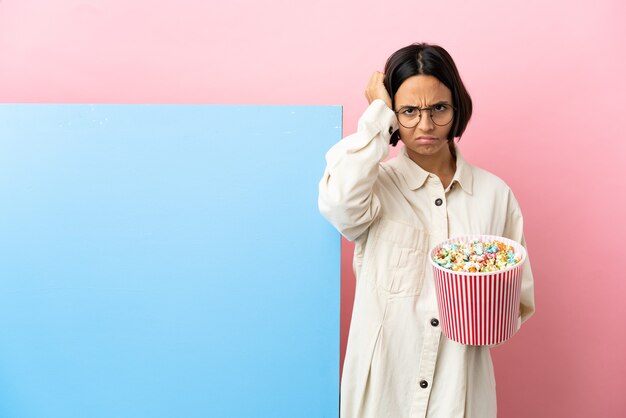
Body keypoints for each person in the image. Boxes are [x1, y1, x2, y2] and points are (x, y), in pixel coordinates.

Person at [318, 43, 535, 418]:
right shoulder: (374, 186)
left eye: (438, 108)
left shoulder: (494, 196)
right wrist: (376, 116)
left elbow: (518, 300)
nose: (425, 125)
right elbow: (338, 205)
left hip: (460, 393)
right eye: (408, 111)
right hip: (385, 393)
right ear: (393, 114)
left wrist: (485, 311)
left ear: (456, 107)